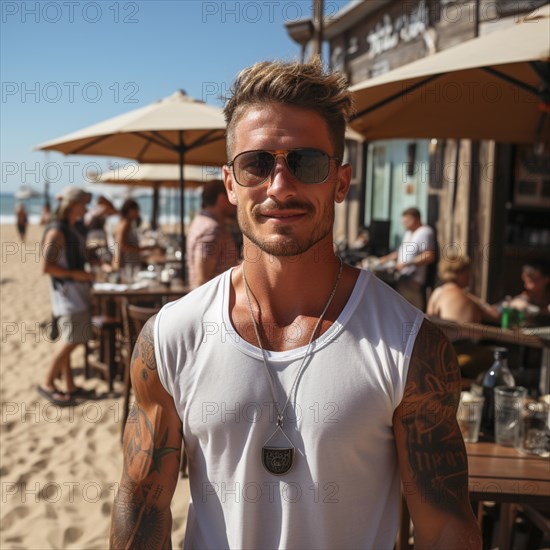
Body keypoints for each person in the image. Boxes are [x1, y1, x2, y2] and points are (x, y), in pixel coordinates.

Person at [110, 59, 481, 549]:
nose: (279, 187)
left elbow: (445, 529)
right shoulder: (171, 337)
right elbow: (142, 504)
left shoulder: (411, 346)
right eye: (256, 165)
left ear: (341, 182)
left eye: (306, 163)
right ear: (229, 183)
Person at [38, 186, 95, 406]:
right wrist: (76, 274)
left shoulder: (71, 227)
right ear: (73, 204)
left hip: (74, 291)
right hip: (67, 293)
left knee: (69, 338)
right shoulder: (57, 231)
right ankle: (48, 382)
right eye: (83, 203)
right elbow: (46, 267)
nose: (86, 208)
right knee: (72, 339)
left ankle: (69, 385)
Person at [378, 207, 436, 310]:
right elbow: (402, 252)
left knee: (410, 311)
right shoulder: (409, 233)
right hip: (403, 278)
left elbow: (429, 256)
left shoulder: (425, 232)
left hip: (413, 281)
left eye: (407, 221)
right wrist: (386, 259)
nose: (404, 224)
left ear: (416, 219)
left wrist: (407, 264)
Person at [186, 179, 239, 289]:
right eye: (233, 197)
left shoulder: (201, 220)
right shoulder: (212, 228)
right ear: (222, 199)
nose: (236, 203)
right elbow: (202, 280)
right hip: (215, 302)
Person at [427, 254, 500, 325]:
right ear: (459, 273)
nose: (470, 276)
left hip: (439, 334)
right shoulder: (464, 296)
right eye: (467, 272)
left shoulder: (437, 293)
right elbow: (495, 316)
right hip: (459, 336)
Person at [112, 199, 157, 271]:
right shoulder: (126, 224)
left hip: (126, 263)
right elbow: (122, 246)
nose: (138, 213)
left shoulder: (122, 223)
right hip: (128, 265)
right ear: (130, 210)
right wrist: (144, 249)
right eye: (136, 210)